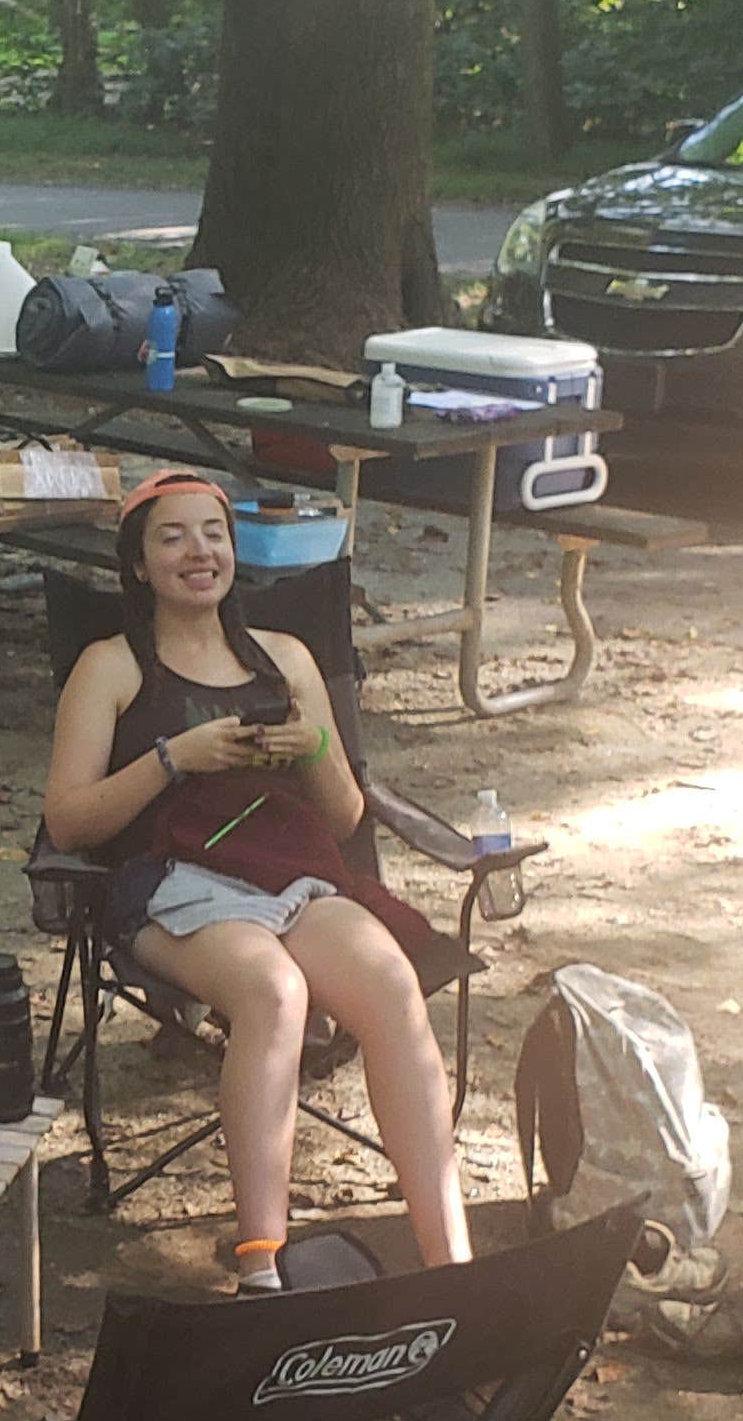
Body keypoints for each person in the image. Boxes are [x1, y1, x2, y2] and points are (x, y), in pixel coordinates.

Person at [40, 472, 471, 1281]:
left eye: (214, 534)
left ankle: (451, 1263)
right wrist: (176, 759)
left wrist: (310, 749)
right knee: (275, 993)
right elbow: (67, 820)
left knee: (390, 985)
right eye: (173, 537)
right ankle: (262, 1269)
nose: (199, 552)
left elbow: (344, 818)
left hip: (292, 872)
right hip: (172, 883)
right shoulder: (113, 667)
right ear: (138, 564)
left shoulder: (287, 659)